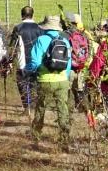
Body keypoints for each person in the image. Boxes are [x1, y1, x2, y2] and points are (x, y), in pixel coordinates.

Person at [22, 14, 75, 150]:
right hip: (62, 80)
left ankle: (36, 137)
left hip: (44, 80)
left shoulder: (41, 40)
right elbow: (68, 64)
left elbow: (34, 62)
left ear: (45, 27)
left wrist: (29, 71)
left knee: (40, 108)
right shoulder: (65, 41)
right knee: (62, 109)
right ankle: (64, 140)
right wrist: (65, 76)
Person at [7, 5, 45, 121]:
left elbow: (13, 47)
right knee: (34, 84)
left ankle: (27, 107)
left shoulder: (18, 28)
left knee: (22, 84)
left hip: (22, 61)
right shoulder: (40, 29)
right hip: (37, 62)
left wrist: (10, 61)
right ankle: (34, 106)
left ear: (22, 15)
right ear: (32, 15)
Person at [66, 13, 95, 122]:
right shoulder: (84, 35)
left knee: (67, 93)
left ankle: (68, 118)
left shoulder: (67, 35)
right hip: (82, 68)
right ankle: (90, 119)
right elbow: (90, 50)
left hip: (70, 69)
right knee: (82, 93)